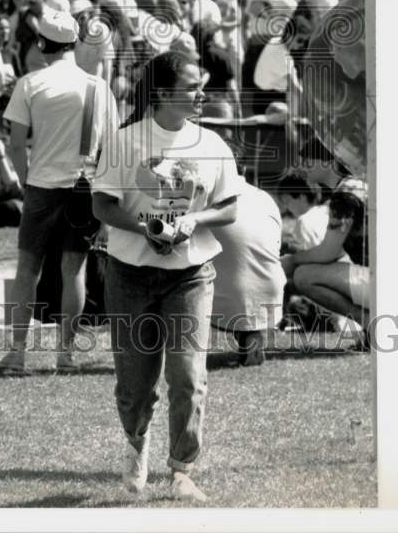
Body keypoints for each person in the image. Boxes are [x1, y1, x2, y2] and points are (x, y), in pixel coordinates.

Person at [92, 51, 245, 502]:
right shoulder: (125, 141)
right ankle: (136, 442)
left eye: (202, 86)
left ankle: (181, 470)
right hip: (130, 274)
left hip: (191, 275)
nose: (201, 94)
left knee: (188, 375)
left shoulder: (212, 144)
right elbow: (102, 205)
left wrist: (194, 222)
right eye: (191, 87)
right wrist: (145, 228)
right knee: (135, 387)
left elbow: (230, 205)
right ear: (162, 93)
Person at [0, 9, 118, 374]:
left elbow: (16, 144)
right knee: (73, 270)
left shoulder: (30, 84)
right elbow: (111, 146)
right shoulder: (97, 86)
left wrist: (24, 177)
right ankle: (65, 353)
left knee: (27, 269)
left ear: (42, 44)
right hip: (84, 185)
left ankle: (17, 352)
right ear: (74, 44)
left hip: (42, 185)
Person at [211, 180, 286, 366]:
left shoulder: (206, 198)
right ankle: (251, 335)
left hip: (228, 294)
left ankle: (247, 334)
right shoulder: (265, 197)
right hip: (271, 290)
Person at [283, 178, 370, 332]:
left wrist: (292, 260)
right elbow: (335, 253)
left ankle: (369, 322)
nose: (303, 164)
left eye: (310, 156)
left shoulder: (347, 193)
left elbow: (327, 253)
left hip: (378, 282)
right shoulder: (359, 187)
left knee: (304, 276)